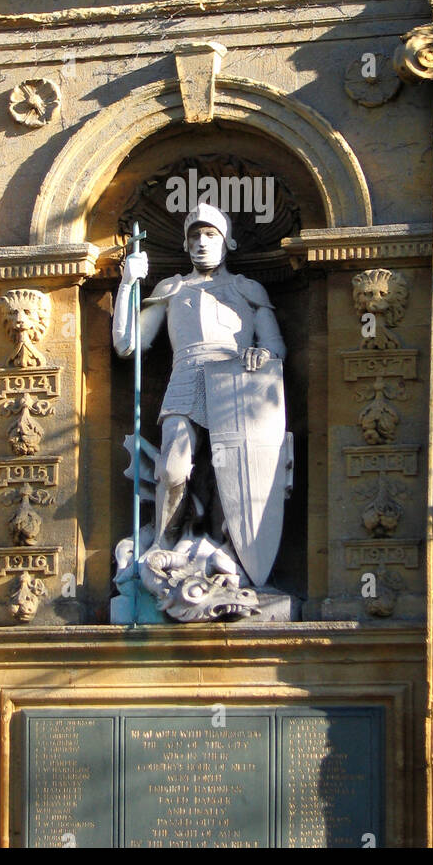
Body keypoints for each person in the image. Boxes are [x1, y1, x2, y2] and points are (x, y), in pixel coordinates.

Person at [112, 203, 288, 587]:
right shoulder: (172, 287)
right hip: (186, 377)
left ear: (227, 242)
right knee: (173, 469)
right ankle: (163, 542)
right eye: (194, 236)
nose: (201, 243)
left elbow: (275, 347)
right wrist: (128, 283)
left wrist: (263, 354)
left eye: (210, 235)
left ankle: (233, 550)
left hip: (236, 382)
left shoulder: (247, 288)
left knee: (232, 474)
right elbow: (129, 344)